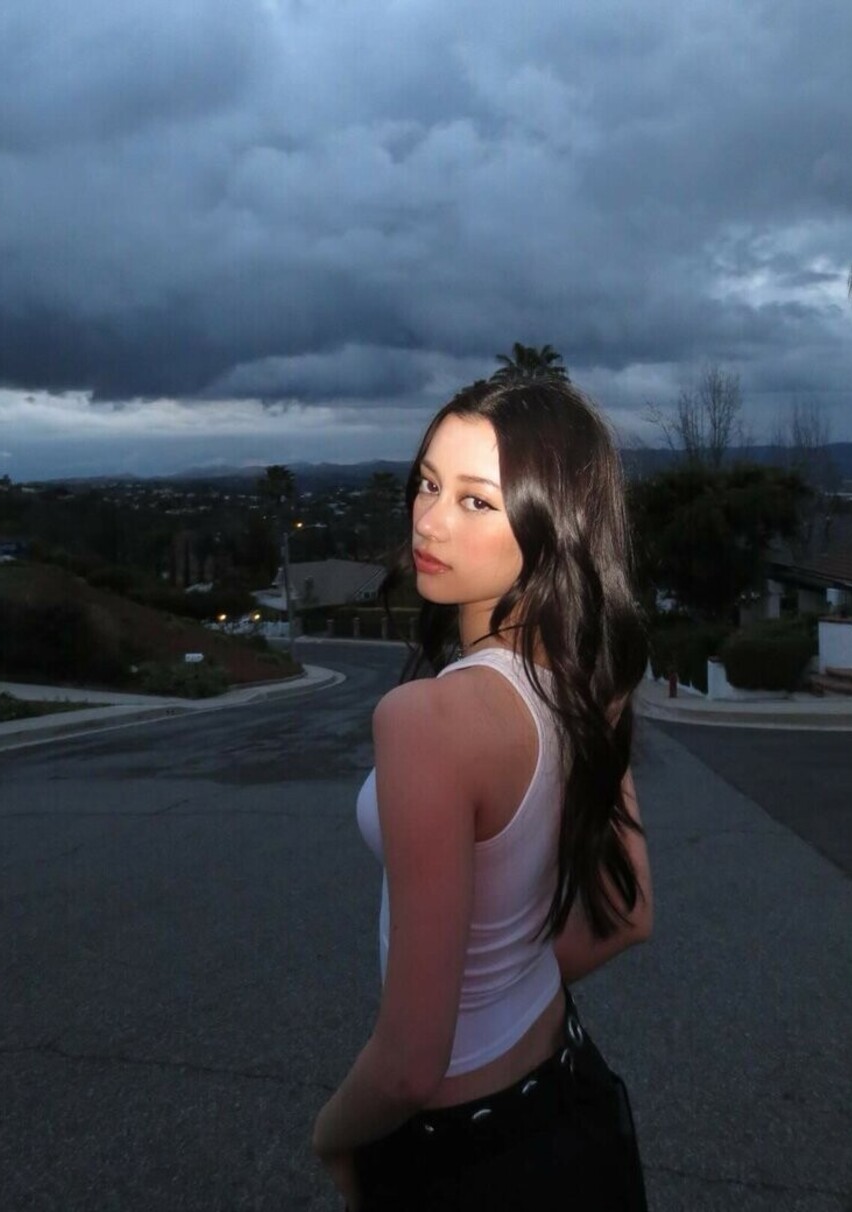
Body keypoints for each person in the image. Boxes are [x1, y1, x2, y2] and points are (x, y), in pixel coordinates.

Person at [312, 378, 653, 1210]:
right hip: (575, 1103)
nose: (429, 522)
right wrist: (501, 983)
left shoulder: (425, 721)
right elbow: (627, 913)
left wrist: (332, 1138)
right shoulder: (589, 684)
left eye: (476, 501)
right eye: (428, 484)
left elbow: (409, 1065)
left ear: (552, 525)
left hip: (463, 1158)